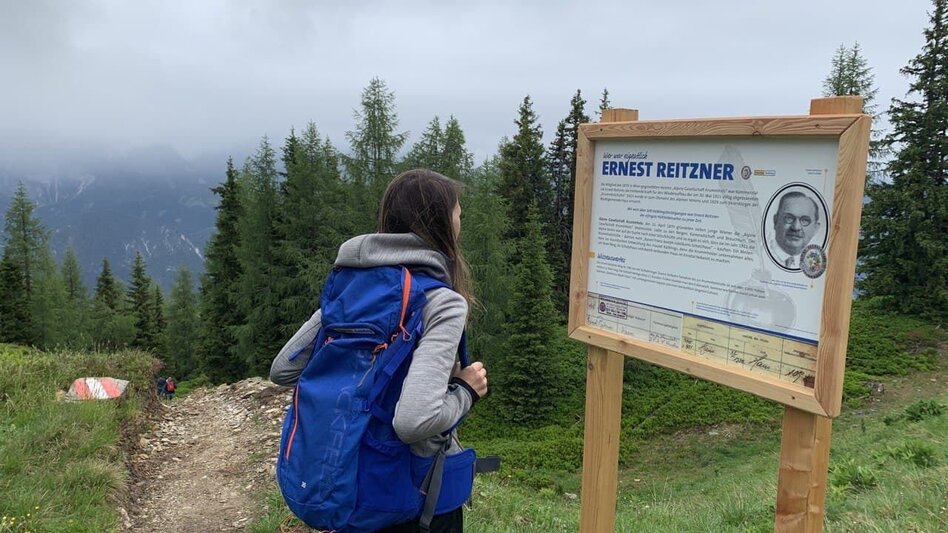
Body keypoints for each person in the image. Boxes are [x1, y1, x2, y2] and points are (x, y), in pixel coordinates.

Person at [270, 169, 489, 533]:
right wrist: (466, 389)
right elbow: (412, 422)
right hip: (414, 502)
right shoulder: (442, 302)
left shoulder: (352, 287)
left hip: (351, 481)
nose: (460, 218)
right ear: (440, 223)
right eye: (458, 212)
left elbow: (283, 368)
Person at [769, 190, 821, 269]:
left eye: (805, 220)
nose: (796, 227)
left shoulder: (814, 264)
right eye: (789, 218)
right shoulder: (761, 256)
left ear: (815, 228)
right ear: (775, 221)